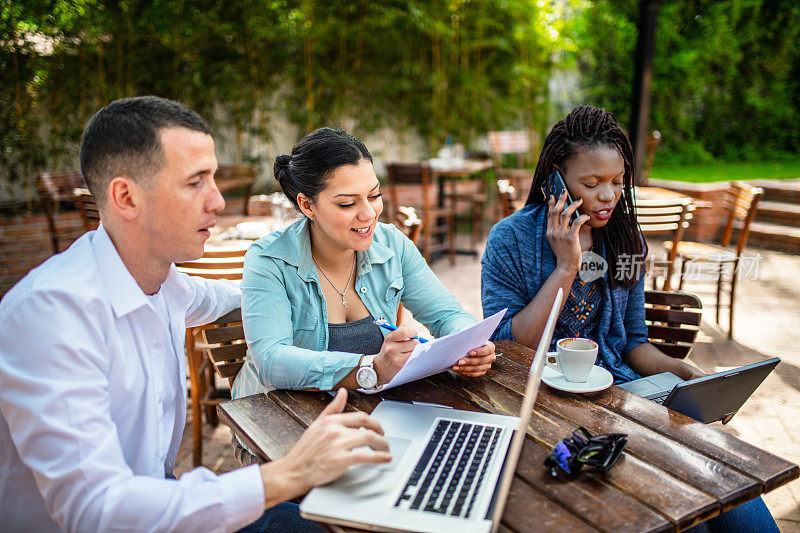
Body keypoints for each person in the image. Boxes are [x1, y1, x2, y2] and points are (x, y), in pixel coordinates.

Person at [0, 96, 391, 533]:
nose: (218, 201)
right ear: (126, 197)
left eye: (214, 180)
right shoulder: (51, 317)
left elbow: (231, 294)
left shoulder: (165, 285)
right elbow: (95, 511)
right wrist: (290, 473)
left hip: (164, 499)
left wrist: (282, 287)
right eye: (195, 183)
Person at [481, 105, 778, 532]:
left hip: (623, 398)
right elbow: (510, 346)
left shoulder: (625, 240)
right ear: (556, 180)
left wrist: (681, 371)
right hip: (542, 408)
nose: (608, 195)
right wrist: (566, 266)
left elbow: (634, 343)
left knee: (725, 479)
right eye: (592, 182)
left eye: (618, 182)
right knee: (687, 517)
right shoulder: (510, 239)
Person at [232, 127, 495, 399]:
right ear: (307, 205)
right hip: (275, 418)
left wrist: (470, 345)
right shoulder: (268, 261)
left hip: (361, 413)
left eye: (374, 195)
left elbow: (446, 315)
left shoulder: (392, 245)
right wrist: (369, 369)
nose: (369, 214)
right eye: (347, 204)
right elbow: (272, 362)